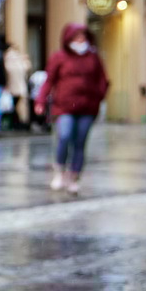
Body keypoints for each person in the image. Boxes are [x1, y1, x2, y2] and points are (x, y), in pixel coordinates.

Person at [38, 22, 109, 195]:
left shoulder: (93, 58)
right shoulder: (59, 57)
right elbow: (49, 80)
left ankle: (74, 177)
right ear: (69, 38)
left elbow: (103, 80)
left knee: (80, 143)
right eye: (77, 37)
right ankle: (60, 171)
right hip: (64, 107)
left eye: (83, 37)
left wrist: (99, 96)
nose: (80, 40)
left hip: (87, 108)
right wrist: (40, 101)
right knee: (64, 136)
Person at [4, 41, 32, 131]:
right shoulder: (19, 59)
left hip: (12, 86)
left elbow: (7, 72)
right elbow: (27, 68)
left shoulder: (7, 58)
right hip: (20, 86)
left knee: (12, 106)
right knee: (14, 105)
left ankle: (16, 123)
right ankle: (18, 123)